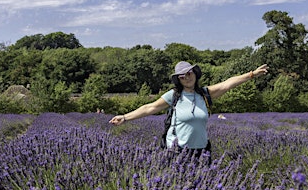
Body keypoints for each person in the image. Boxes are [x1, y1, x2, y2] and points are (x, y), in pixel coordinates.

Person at [109, 61, 269, 159]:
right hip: (177, 151)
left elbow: (228, 83)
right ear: (178, 79)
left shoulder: (205, 93)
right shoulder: (174, 95)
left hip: (202, 151)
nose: (186, 77)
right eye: (182, 76)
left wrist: (252, 74)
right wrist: (125, 117)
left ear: (194, 73)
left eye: (189, 73)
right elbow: (149, 107)